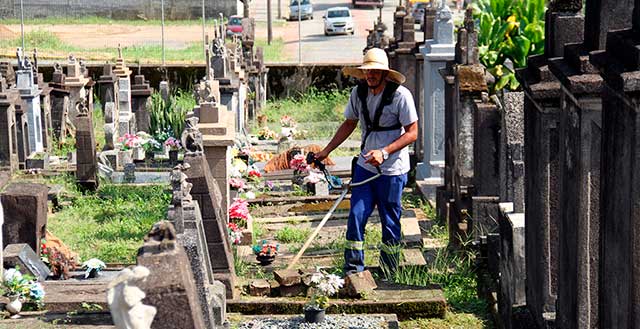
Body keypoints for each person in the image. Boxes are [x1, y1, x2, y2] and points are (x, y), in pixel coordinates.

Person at [314, 48, 418, 275]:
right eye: (367, 71)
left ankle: (389, 270)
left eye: (375, 71)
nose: (370, 75)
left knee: (390, 220)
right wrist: (326, 151)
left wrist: (385, 151)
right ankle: (353, 269)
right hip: (364, 167)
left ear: (385, 73)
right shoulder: (358, 93)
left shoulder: (401, 96)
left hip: (391, 169)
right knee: (356, 214)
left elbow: (412, 133)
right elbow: (349, 123)